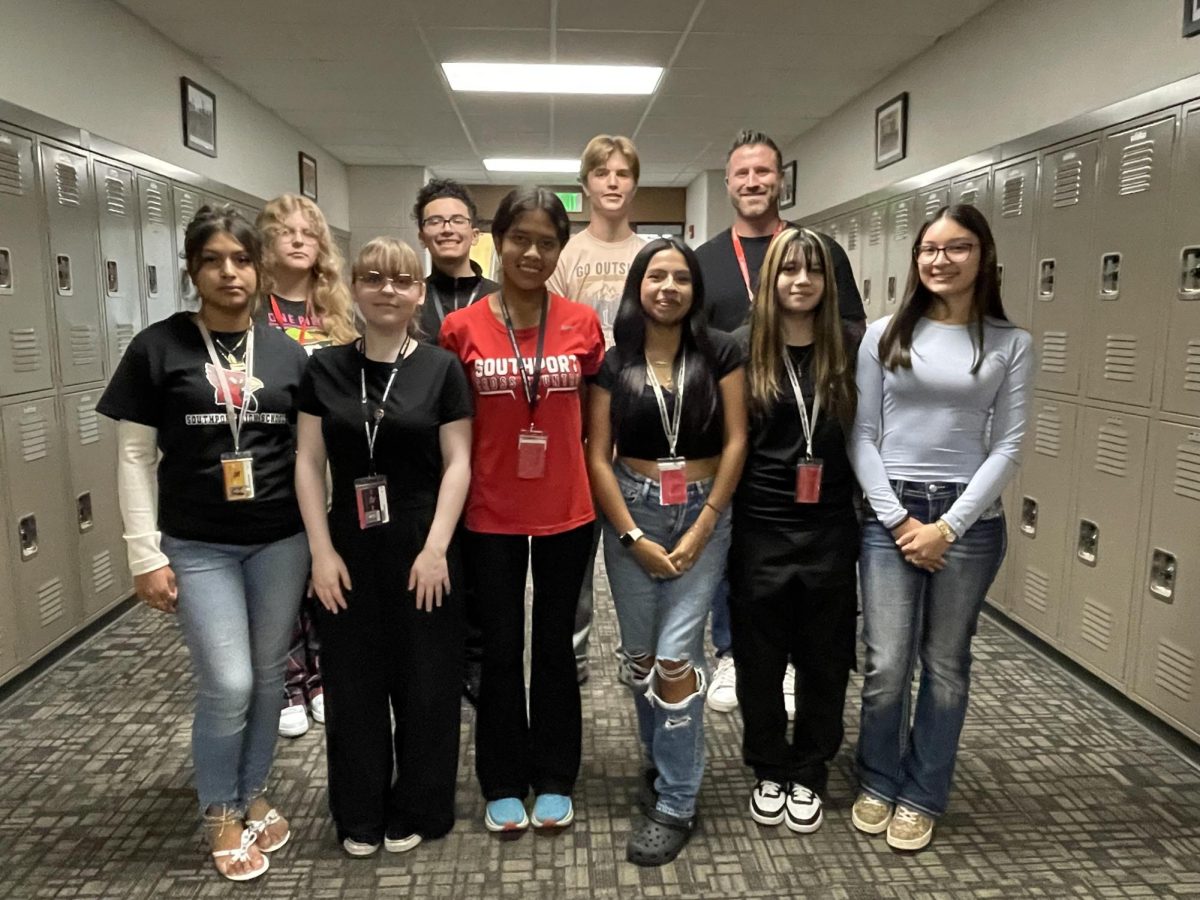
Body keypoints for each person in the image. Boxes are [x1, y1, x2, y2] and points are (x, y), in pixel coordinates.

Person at [98, 205, 310, 881]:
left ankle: (251, 792)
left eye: (241, 260)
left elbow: (309, 457)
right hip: (197, 544)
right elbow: (133, 457)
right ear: (193, 269)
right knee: (229, 680)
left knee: (271, 676)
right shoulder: (158, 348)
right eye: (213, 259)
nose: (229, 273)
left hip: (280, 540)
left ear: (260, 268)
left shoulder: (285, 352)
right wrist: (143, 552)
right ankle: (219, 809)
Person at [848, 204, 1033, 851]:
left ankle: (923, 792)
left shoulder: (1010, 343)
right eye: (929, 248)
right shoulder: (883, 335)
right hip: (891, 511)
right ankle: (876, 777)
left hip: (969, 523)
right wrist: (898, 519)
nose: (940, 259)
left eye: (956, 248)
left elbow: (1008, 446)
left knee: (946, 664)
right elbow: (863, 434)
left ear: (982, 256)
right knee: (886, 662)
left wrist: (948, 526)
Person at [295, 237, 473, 857]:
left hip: (424, 541)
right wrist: (320, 553)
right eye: (373, 278)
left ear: (419, 292)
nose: (387, 290)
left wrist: (436, 550)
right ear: (355, 286)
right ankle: (360, 811)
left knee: (427, 682)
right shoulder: (324, 369)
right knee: (354, 683)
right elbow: (309, 461)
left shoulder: (440, 367)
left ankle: (420, 804)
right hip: (348, 544)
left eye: (401, 280)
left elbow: (458, 463)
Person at [439, 187, 604, 834]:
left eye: (546, 242)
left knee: (558, 645)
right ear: (497, 241)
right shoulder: (462, 328)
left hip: (567, 505)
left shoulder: (582, 325)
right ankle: (503, 778)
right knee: (501, 648)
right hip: (491, 510)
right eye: (520, 239)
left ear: (560, 249)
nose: (532, 252)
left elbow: (595, 418)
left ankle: (556, 775)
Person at [695, 129, 867, 715]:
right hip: (744, 419)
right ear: (727, 184)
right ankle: (731, 652)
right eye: (741, 174)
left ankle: (795, 663)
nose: (753, 183)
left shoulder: (820, 252)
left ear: (781, 180)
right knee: (741, 543)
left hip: (813, 426)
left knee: (813, 559)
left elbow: (850, 339)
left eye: (763, 172)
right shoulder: (706, 260)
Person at [587, 238, 746, 865]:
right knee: (641, 657)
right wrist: (631, 535)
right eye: (657, 276)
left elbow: (737, 441)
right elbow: (596, 454)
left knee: (678, 659)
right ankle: (662, 763)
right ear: (639, 285)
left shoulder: (721, 351)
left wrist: (707, 521)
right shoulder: (614, 359)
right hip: (632, 505)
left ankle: (678, 799)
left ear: (694, 290)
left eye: (682, 278)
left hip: (703, 506)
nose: (669, 288)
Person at [728, 228, 860, 836]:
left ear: (829, 282)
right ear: (770, 280)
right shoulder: (739, 349)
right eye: (789, 270)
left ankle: (810, 768)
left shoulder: (852, 349)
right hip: (761, 526)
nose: (801, 281)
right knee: (759, 658)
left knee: (825, 659)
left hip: (831, 525)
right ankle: (769, 767)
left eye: (814, 271)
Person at [547, 134, 647, 683]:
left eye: (623, 173)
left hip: (640, 409)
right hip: (581, 411)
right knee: (577, 541)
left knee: (639, 528)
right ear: (584, 185)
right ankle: (574, 652)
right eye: (602, 173)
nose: (612, 182)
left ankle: (640, 647)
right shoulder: (567, 254)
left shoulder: (649, 254)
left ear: (634, 184)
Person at [257, 193, 357, 739]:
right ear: (266, 244)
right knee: (284, 574)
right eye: (285, 232)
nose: (298, 240)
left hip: (329, 462)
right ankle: (289, 679)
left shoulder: (337, 314)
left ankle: (323, 676)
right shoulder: (252, 311)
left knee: (327, 564)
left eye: (308, 233)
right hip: (271, 460)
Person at [412, 177, 499, 706]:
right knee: (436, 558)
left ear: (474, 230)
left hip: (489, 453)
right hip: (425, 455)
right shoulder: (410, 297)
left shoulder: (497, 299)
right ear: (422, 233)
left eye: (456, 220)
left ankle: (480, 662)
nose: (447, 229)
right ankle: (441, 664)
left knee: (483, 570)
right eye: (435, 221)